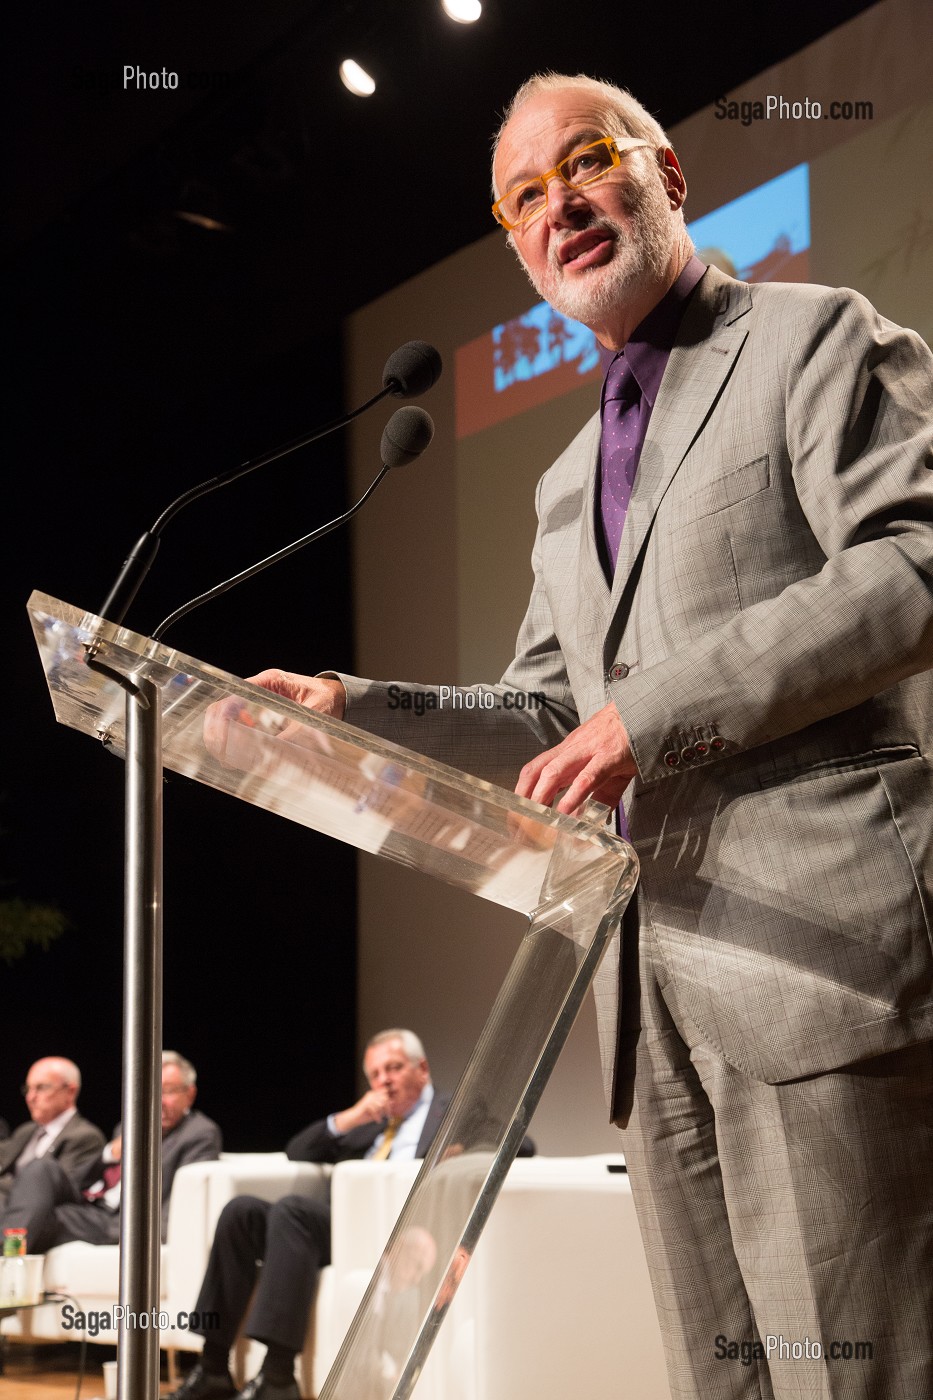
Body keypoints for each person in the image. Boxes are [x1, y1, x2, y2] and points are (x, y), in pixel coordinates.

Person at [204, 72, 933, 1399]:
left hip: (814, 960)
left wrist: (646, 718)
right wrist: (352, 710)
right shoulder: (558, 485)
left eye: (584, 164)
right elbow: (548, 716)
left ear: (669, 177)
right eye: (523, 197)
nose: (558, 207)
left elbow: (910, 564)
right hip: (640, 997)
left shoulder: (814, 335)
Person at [166, 1029, 448, 1400]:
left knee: (292, 1211)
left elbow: (520, 1144)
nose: (384, 1081)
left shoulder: (450, 1113)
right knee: (241, 1212)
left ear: (422, 1069)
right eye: (375, 1074)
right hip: (339, 1225)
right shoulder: (371, 1125)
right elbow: (298, 1150)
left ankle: (279, 1376)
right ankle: (213, 1366)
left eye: (393, 1069)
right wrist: (352, 1117)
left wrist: (457, 1153)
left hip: (394, 1232)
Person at [1, 1050, 221, 1251]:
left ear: (189, 1094)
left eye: (168, 1091)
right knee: (42, 1168)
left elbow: (185, 1196)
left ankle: (7, 1258)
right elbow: (78, 1181)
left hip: (122, 1221)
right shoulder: (129, 1125)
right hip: (91, 1207)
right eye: (150, 1090)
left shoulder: (198, 1133)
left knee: (41, 1219)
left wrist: (144, 1236)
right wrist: (108, 1154)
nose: (158, 1100)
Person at [0, 1058, 105, 1230]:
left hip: (36, 1220)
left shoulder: (85, 1137)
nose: (31, 1097)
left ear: (70, 1092)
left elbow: (62, 1190)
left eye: (41, 1088)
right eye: (28, 1089)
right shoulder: (25, 1132)